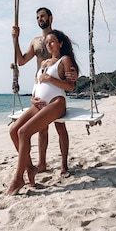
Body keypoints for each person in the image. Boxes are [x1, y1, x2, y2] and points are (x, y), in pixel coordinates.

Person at [7, 30, 79, 195]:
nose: (49, 44)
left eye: (53, 41)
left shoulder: (64, 60)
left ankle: (19, 178)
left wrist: (51, 79)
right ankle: (30, 168)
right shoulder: (45, 62)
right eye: (47, 42)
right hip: (39, 104)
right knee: (13, 131)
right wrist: (33, 98)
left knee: (24, 132)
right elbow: (38, 84)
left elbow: (71, 86)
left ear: (60, 43)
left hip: (56, 102)